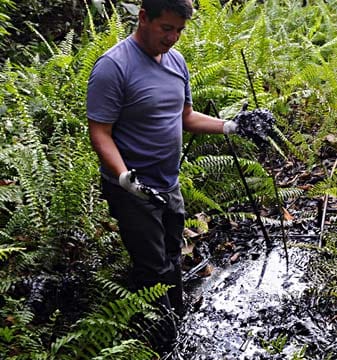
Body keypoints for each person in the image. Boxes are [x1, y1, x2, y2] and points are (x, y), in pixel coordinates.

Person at [86, 0, 238, 352]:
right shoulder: (114, 67)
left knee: (172, 251)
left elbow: (184, 116)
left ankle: (177, 319)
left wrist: (232, 125)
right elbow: (100, 132)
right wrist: (125, 178)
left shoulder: (176, 62)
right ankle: (159, 341)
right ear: (143, 18)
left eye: (179, 31)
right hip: (131, 189)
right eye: (165, 28)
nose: (172, 38)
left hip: (168, 183)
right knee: (152, 266)